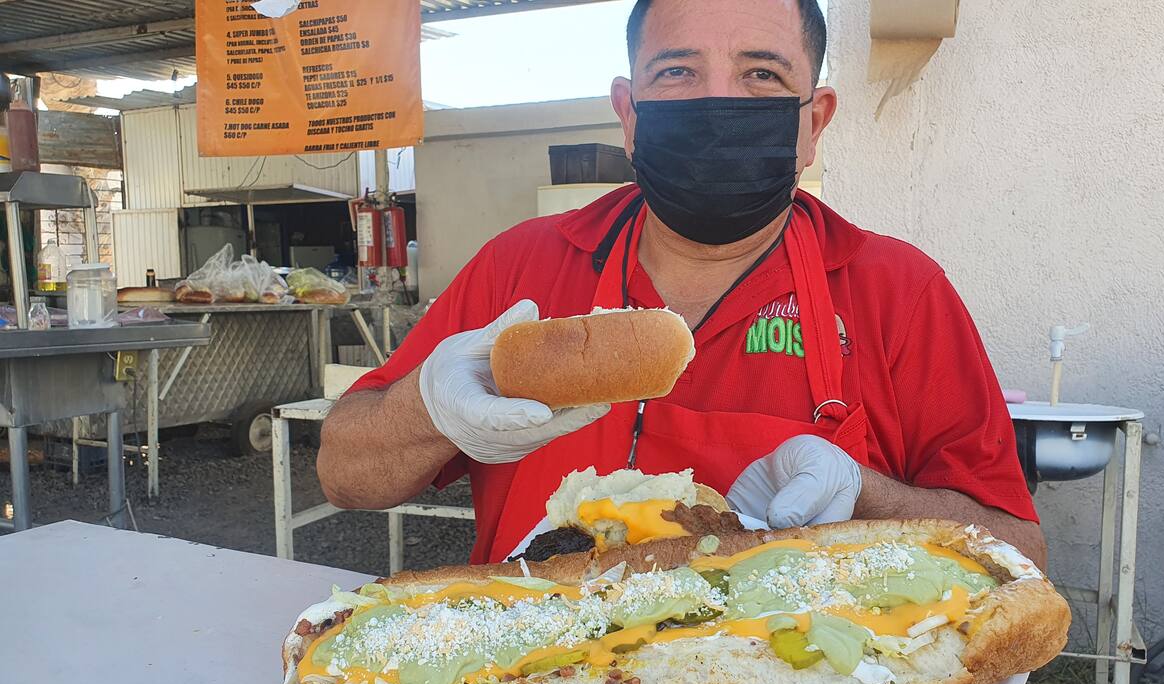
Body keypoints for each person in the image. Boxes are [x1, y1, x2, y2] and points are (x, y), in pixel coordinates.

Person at [318, 0, 1046, 568]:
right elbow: (343, 475)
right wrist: (429, 409)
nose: (715, 103)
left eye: (762, 74)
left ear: (813, 122)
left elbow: (1023, 559)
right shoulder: (522, 268)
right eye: (676, 72)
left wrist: (867, 495)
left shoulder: (897, 293)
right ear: (629, 116)